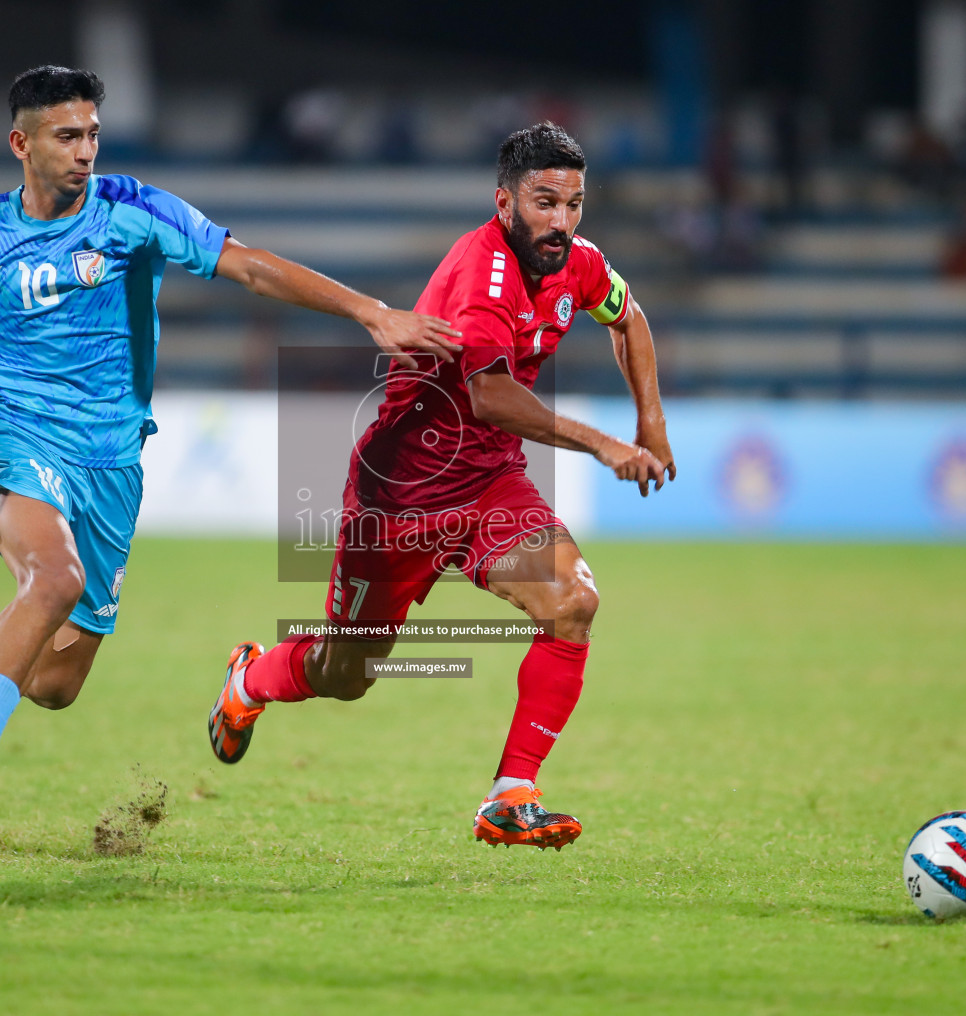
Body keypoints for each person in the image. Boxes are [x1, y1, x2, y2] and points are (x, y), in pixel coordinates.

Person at [0, 66, 460, 833]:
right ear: (20, 143)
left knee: (58, 681)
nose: (85, 151)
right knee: (53, 579)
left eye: (93, 134)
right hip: (19, 434)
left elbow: (251, 266)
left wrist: (369, 311)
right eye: (67, 136)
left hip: (112, 462)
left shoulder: (133, 211)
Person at [208, 122, 674, 850]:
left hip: (489, 485)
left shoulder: (577, 263)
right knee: (346, 672)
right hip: (397, 501)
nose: (560, 221)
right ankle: (250, 681)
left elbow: (630, 318)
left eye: (574, 204)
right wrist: (603, 443)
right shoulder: (481, 276)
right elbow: (490, 397)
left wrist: (654, 424)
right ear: (504, 203)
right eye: (544, 202)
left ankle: (511, 793)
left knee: (574, 602)